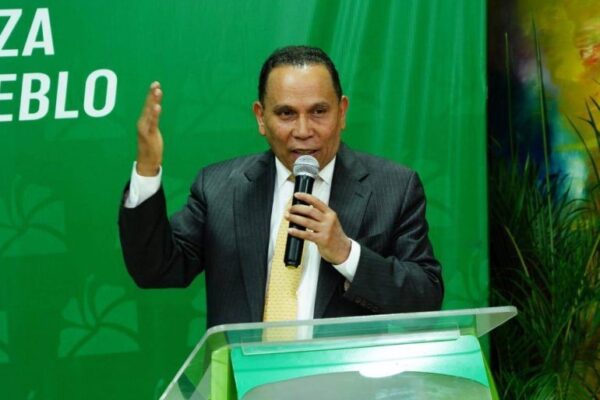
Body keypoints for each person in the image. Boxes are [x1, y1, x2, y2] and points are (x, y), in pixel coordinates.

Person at [118, 46, 443, 328]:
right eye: (286, 113)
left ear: (342, 112)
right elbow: (155, 269)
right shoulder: (218, 188)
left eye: (319, 112)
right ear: (261, 118)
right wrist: (147, 169)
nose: (303, 130)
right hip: (247, 375)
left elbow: (426, 297)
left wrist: (347, 253)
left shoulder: (394, 188)